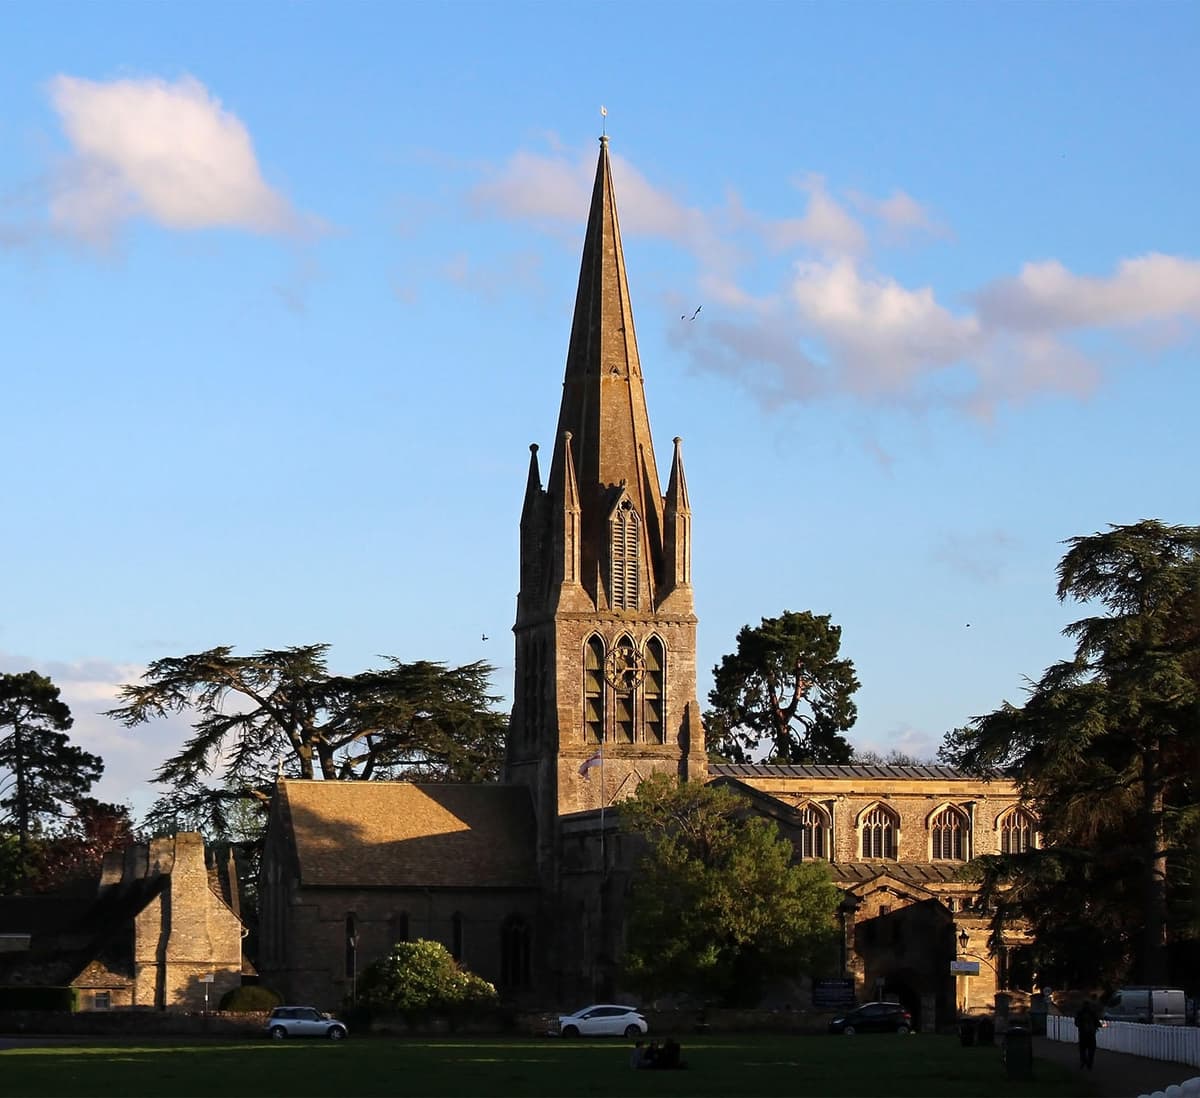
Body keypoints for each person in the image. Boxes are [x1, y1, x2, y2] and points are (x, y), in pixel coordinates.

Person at [1075, 998, 1103, 1070]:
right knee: (1091, 1049)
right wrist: (1099, 1025)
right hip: (1091, 1034)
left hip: (1083, 1034)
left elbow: (1076, 1023)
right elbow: (1097, 1022)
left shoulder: (1080, 1012)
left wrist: (1080, 1026)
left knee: (1082, 1049)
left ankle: (1084, 1061)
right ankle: (1089, 1064)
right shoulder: (1092, 1013)